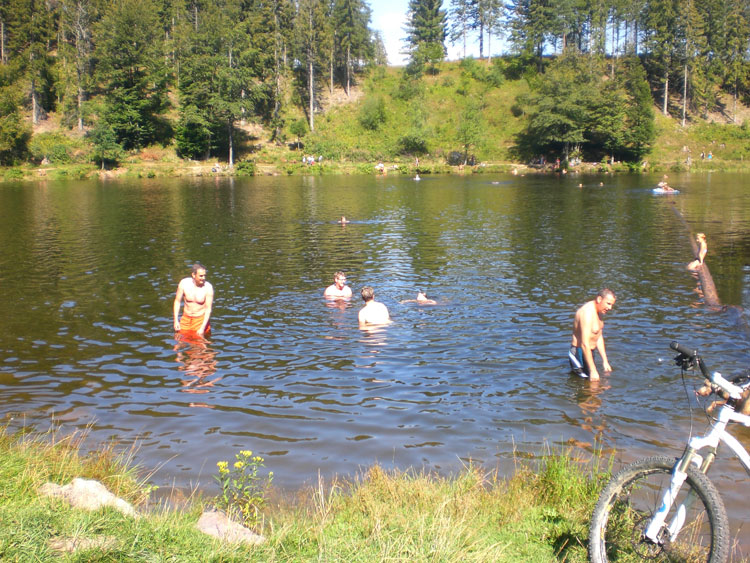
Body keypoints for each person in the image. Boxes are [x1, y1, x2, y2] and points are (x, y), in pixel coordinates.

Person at [569, 289, 616, 381]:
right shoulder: (586, 313)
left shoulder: (599, 312)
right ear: (599, 299)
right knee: (590, 385)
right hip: (579, 353)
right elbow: (584, 344)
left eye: (611, 305)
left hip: (589, 352)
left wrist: (605, 361)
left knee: (595, 383)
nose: (610, 308)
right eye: (608, 304)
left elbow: (598, 336)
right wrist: (593, 370)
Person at [174, 263, 214, 336]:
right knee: (178, 342)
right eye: (201, 276)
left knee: (197, 345)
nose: (203, 278)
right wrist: (176, 320)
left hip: (200, 320)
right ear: (193, 275)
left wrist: (202, 327)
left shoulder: (208, 287)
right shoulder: (184, 283)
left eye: (205, 275)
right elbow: (177, 301)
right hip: (185, 319)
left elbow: (208, 309)